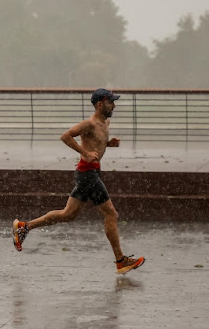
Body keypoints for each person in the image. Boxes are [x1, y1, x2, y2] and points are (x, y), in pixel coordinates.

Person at [12, 88, 145, 275]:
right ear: (100, 104)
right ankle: (121, 261)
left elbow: (95, 141)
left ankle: (24, 227)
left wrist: (108, 144)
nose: (114, 105)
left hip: (91, 173)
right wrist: (86, 153)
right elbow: (65, 136)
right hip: (87, 175)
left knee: (68, 214)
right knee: (111, 214)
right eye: (111, 102)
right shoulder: (89, 124)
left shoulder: (105, 122)